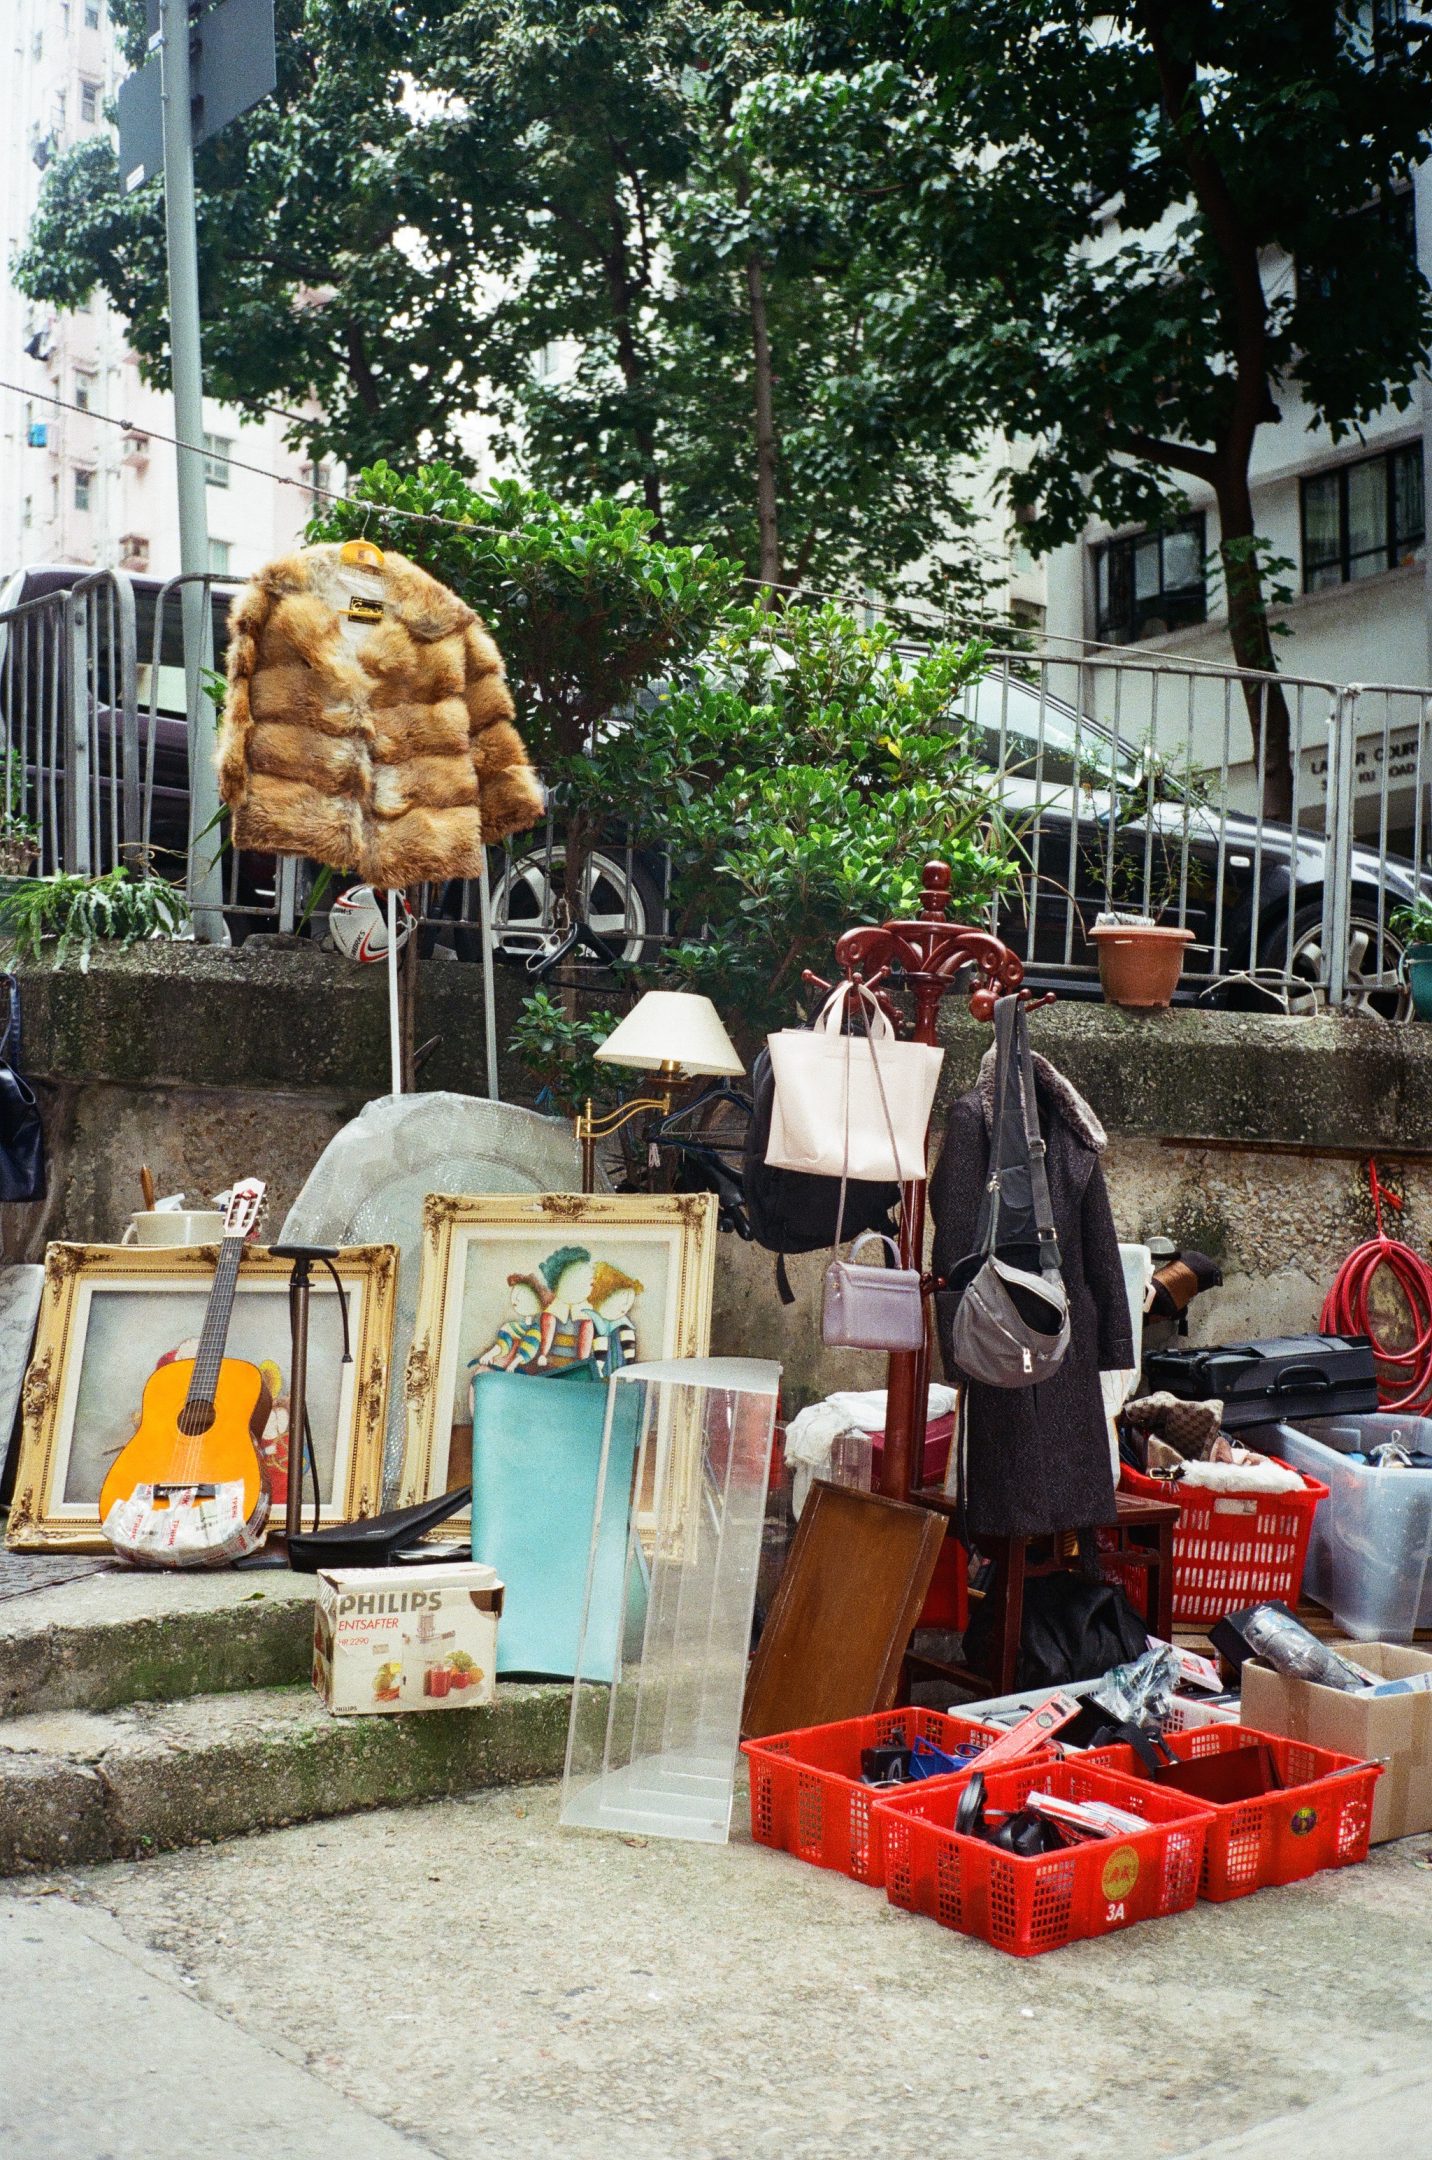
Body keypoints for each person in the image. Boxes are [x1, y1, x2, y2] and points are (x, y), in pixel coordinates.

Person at [471, 1273, 550, 1375]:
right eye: (516, 1292)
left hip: (519, 1369)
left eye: (523, 1294)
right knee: (481, 1372)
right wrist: (489, 1355)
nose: (516, 1298)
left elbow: (529, 1349)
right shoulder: (511, 1326)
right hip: (501, 1363)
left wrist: (513, 1364)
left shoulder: (534, 1331)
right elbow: (503, 1342)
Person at [534, 1246, 597, 1370]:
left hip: (575, 1369)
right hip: (550, 1367)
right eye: (585, 1282)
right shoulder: (549, 1314)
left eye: (590, 1283)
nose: (590, 1287)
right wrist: (543, 1355)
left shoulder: (588, 1316)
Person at [589, 1262, 643, 1378]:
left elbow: (629, 1346)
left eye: (628, 1305)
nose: (625, 1310)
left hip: (619, 1370)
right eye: (622, 1304)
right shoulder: (592, 1320)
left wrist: (629, 1364)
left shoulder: (623, 1324)